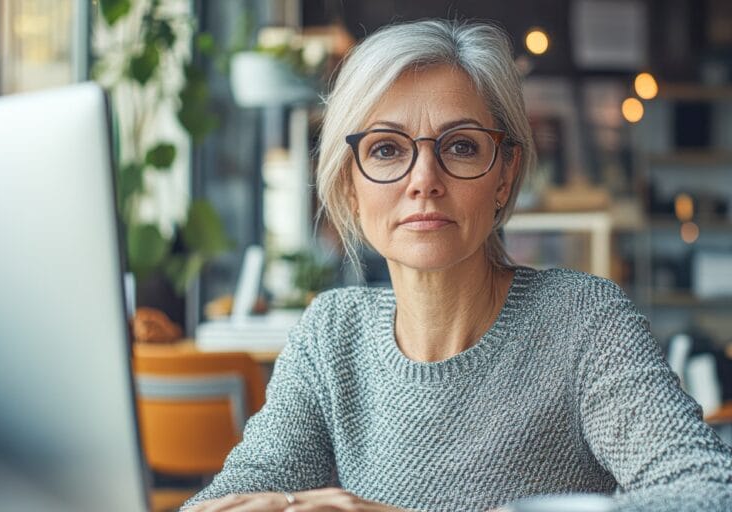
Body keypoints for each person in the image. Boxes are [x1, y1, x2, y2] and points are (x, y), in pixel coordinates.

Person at [182, 19, 732, 512]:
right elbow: (240, 488)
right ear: (349, 186)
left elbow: (705, 491)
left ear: (505, 176)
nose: (424, 179)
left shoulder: (582, 320)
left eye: (462, 146)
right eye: (386, 149)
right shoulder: (330, 334)